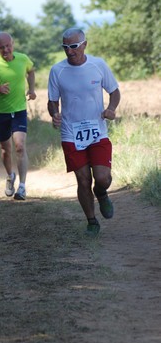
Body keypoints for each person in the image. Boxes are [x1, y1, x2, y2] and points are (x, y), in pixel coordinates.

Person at [47, 28, 120, 236]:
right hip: (71, 132)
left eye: (73, 46)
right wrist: (55, 114)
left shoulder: (98, 65)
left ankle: (101, 192)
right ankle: (92, 221)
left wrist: (111, 109)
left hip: (97, 130)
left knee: (102, 177)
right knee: (83, 179)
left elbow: (114, 91)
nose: (69, 51)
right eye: (65, 47)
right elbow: (52, 101)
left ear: (84, 44)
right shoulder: (57, 70)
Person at [0, 32, 36, 200]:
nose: (6, 49)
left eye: (8, 45)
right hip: (0, 113)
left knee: (19, 146)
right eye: (1, 47)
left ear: (12, 44)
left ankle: (22, 187)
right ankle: (10, 176)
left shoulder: (23, 59)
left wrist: (31, 89)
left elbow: (31, 71)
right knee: (5, 149)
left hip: (19, 110)